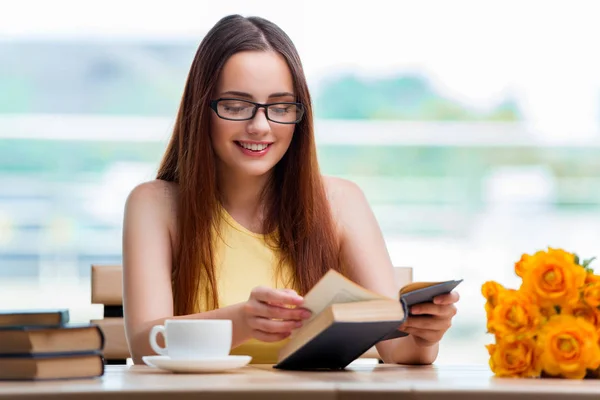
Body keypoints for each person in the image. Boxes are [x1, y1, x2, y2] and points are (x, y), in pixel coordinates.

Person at [122, 14, 459, 366]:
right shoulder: (155, 204)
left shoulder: (341, 202)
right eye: (236, 106)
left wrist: (425, 336)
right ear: (200, 109)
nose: (260, 126)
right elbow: (146, 344)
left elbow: (397, 351)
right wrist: (241, 322)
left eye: (281, 107)